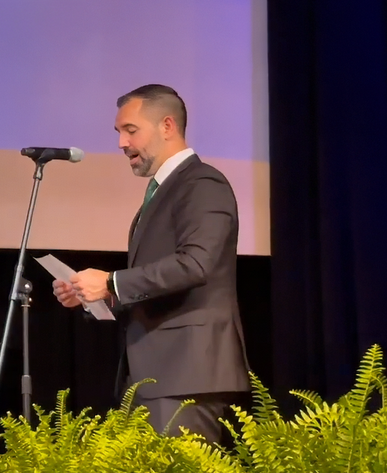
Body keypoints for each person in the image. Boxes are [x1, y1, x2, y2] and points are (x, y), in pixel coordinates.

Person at [52, 84, 250, 444]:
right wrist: (95, 296)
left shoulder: (203, 183)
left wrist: (112, 282)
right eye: (118, 132)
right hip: (153, 377)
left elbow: (196, 264)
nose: (121, 143)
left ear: (168, 126)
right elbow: (159, 284)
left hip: (188, 375)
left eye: (130, 130)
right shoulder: (164, 190)